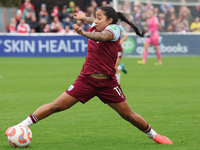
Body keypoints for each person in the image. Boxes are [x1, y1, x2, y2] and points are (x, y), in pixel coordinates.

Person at [6, 6, 172, 145]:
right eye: (96, 17)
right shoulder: (97, 24)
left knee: (128, 115)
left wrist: (84, 32)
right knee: (56, 106)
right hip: (86, 81)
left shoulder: (114, 29)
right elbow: (92, 22)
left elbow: (102, 36)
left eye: (100, 18)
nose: (96, 20)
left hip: (108, 83)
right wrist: (84, 17)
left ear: (110, 21)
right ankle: (20, 126)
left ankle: (154, 135)